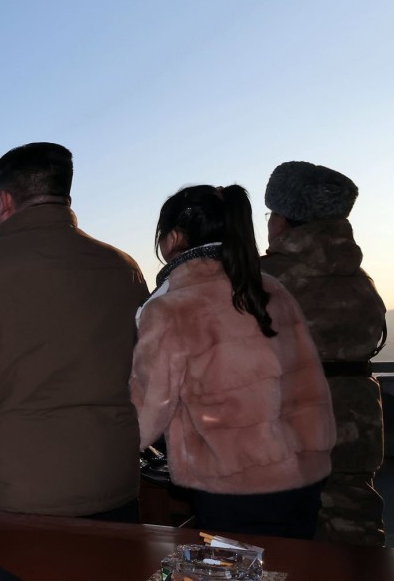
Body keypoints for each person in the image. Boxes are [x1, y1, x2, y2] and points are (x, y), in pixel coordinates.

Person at [0, 142, 148, 519]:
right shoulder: (122, 269)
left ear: (5, 200)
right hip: (114, 485)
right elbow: (144, 372)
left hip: (13, 497)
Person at [129, 184, 335, 539]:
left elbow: (147, 414)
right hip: (303, 475)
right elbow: (310, 382)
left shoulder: (169, 308)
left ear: (174, 237)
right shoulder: (270, 288)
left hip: (233, 484)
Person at [261, 161, 387, 546]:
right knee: (355, 528)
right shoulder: (359, 278)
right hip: (357, 416)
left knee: (281, 538)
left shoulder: (262, 279)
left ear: (282, 220)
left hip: (291, 419)